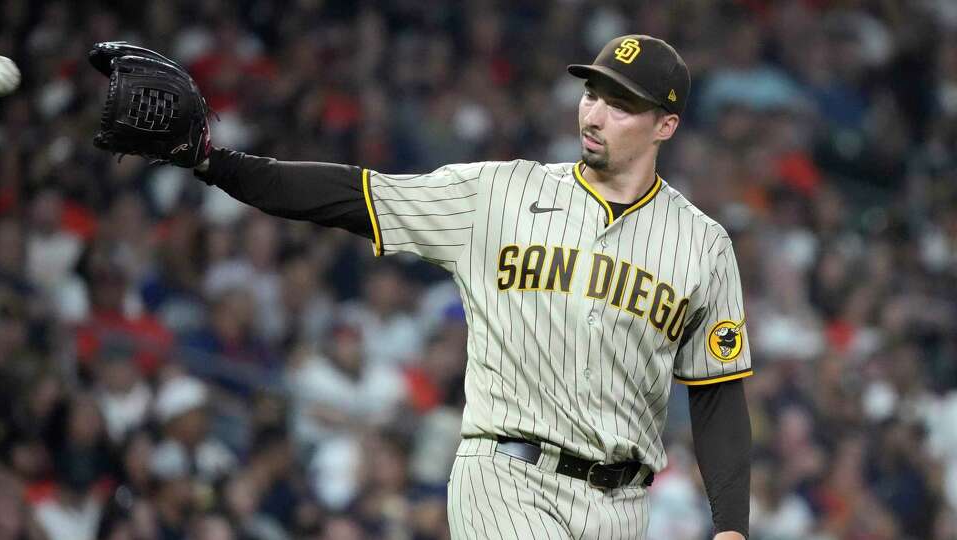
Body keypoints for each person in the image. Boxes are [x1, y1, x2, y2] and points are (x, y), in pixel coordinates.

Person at [95, 34, 753, 539]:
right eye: (593, 93)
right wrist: (214, 161)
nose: (596, 112)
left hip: (623, 504)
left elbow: (718, 394)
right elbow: (355, 196)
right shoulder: (499, 193)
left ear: (665, 125)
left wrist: (730, 524)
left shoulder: (701, 247)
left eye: (621, 103)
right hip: (506, 475)